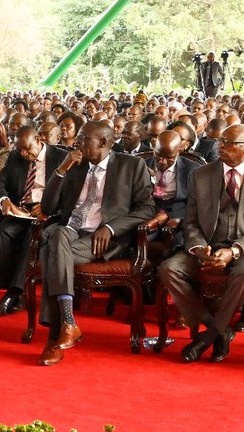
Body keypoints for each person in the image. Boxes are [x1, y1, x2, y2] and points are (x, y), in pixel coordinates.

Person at [158, 124, 244, 363]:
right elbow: (191, 221)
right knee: (169, 269)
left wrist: (235, 250)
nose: (220, 146)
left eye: (228, 143)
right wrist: (198, 248)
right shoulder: (201, 174)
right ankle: (221, 330)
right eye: (221, 141)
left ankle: (208, 337)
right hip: (207, 244)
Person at [36, 121, 155, 365]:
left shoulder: (131, 165)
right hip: (71, 232)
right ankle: (68, 324)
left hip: (103, 241)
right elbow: (47, 207)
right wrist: (61, 169)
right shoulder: (74, 165)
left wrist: (111, 228)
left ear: (102, 141)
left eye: (82, 138)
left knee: (52, 249)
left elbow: (147, 208)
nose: (77, 143)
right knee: (58, 237)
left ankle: (55, 336)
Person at [0, 126, 67, 316]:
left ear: (39, 139)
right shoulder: (16, 157)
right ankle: (14, 288)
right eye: (20, 150)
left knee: (31, 240)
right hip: (21, 210)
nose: (24, 154)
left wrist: (49, 207)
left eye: (27, 148)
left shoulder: (60, 157)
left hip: (48, 214)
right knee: (2, 232)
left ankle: (14, 293)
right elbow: (2, 185)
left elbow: (70, 192)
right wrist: (5, 200)